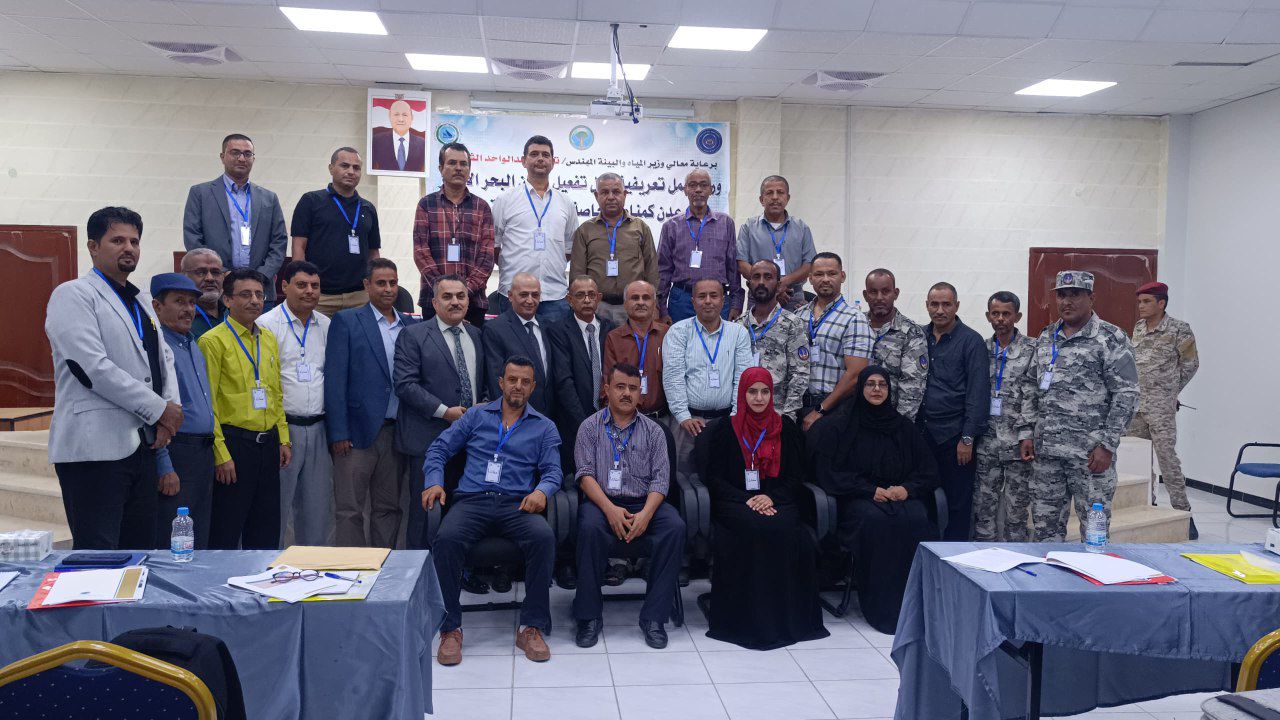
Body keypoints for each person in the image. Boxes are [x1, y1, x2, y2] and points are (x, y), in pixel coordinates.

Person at [46, 207, 181, 550]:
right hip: (94, 451)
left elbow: (163, 358)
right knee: (98, 556)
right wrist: (158, 409)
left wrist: (169, 408)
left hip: (141, 446)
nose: (129, 248)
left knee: (139, 553)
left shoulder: (140, 301)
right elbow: (91, 368)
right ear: (93, 246)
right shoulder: (73, 294)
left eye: (134, 241)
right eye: (117, 240)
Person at [423, 357, 562, 666]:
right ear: (501, 383)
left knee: (543, 538)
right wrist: (434, 482)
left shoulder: (544, 427)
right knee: (446, 539)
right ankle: (450, 629)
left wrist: (542, 491)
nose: (518, 386)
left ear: (533, 387)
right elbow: (439, 449)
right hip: (473, 501)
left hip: (517, 504)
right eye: (512, 380)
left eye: (525, 382)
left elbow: (553, 471)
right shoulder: (476, 416)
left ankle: (531, 627)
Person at [702, 367, 827, 650]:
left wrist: (770, 498)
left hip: (778, 500)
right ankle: (747, 620)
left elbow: (796, 477)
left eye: (765, 392)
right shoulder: (725, 429)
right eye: (752, 391)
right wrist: (745, 499)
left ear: (772, 395)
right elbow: (714, 478)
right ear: (742, 394)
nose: (759, 398)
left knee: (786, 529)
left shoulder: (786, 428)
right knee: (753, 527)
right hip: (736, 501)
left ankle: (785, 618)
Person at [809, 367, 940, 634]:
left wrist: (907, 489)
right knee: (876, 521)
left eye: (882, 384)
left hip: (900, 496)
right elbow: (828, 473)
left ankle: (918, 607)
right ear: (860, 388)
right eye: (870, 384)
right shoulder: (840, 426)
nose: (877, 389)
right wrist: (868, 490)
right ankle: (883, 609)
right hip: (858, 499)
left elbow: (929, 471)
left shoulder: (903, 427)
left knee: (917, 518)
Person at [571, 363, 684, 649]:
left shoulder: (655, 431)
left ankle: (654, 618)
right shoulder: (589, 427)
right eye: (620, 387)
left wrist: (645, 514)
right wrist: (609, 509)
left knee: (674, 527)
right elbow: (584, 475)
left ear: (640, 394)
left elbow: (661, 480)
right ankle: (589, 616)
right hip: (602, 502)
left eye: (633, 388)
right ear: (607, 389)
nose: (626, 393)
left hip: (645, 503)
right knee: (588, 527)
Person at [1022, 271, 1139, 542]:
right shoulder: (1046, 336)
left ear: (1091, 297)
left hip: (1090, 457)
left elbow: (1127, 394)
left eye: (1075, 294)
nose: (1067, 301)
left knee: (1094, 535)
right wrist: (1026, 432)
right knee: (1045, 532)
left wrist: (1107, 445)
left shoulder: (1111, 338)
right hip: (1047, 455)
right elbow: (1030, 385)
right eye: (1062, 295)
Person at [325, 258, 418, 548]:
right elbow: (335, 379)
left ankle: (384, 565)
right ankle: (352, 568)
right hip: (356, 434)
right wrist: (338, 432)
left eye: (393, 283)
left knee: (388, 508)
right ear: (367, 285)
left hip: (396, 432)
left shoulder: (410, 325)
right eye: (381, 283)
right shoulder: (347, 321)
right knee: (350, 509)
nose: (388, 289)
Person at [199, 268, 292, 550]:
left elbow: (275, 392)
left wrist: (283, 438)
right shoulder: (212, 342)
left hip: (268, 444)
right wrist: (221, 454)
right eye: (245, 294)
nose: (254, 300)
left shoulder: (268, 339)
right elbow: (209, 404)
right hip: (234, 445)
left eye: (259, 295)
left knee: (265, 530)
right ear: (227, 300)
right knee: (226, 531)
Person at [393, 275, 485, 550]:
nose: (455, 302)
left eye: (460, 296)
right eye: (447, 296)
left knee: (460, 516)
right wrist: (444, 412)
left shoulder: (477, 335)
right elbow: (405, 384)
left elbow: (484, 382)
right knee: (425, 516)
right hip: (428, 440)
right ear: (434, 303)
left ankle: (455, 571)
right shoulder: (414, 335)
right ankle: (419, 571)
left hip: (470, 443)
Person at [256, 261, 333, 546]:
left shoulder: (326, 325)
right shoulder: (266, 325)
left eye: (315, 286)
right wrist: (279, 435)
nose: (309, 291)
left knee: (317, 512)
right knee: (275, 510)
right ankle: (270, 566)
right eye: (301, 285)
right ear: (284, 286)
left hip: (319, 428)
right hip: (282, 431)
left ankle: (312, 567)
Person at [150, 273, 217, 550]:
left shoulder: (193, 344)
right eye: (179, 302)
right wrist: (164, 465)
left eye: (191, 303)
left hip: (203, 453)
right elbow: (155, 412)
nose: (188, 309)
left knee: (200, 535)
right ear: (157, 306)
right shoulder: (156, 348)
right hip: (178, 451)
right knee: (175, 539)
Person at [918, 281, 989, 542]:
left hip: (954, 438)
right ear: (927, 306)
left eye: (946, 304)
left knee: (957, 504)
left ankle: (954, 557)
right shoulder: (918, 337)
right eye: (934, 304)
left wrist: (967, 438)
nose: (940, 310)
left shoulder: (971, 341)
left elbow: (978, 393)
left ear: (956, 306)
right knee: (921, 499)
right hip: (922, 434)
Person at [663, 279, 753, 482]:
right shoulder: (678, 331)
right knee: (683, 480)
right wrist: (683, 416)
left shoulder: (738, 333)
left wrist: (734, 417)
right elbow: (673, 377)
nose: (708, 301)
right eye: (702, 296)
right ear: (693, 301)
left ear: (723, 300)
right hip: (688, 424)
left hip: (726, 422)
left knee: (724, 479)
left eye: (714, 296)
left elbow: (743, 377)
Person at [1127, 281, 1199, 536]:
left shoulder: (1179, 329)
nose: (1141, 306)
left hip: (1161, 408)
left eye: (1147, 302)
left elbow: (1191, 365)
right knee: (1137, 459)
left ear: (1161, 303)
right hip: (1137, 406)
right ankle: (1146, 505)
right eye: (1139, 302)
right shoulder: (1138, 328)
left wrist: (1170, 392)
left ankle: (1183, 514)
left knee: (1167, 460)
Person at [182, 133, 288, 302]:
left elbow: (279, 242)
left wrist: (261, 276)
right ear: (222, 157)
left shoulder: (269, 198)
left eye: (247, 154)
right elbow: (193, 238)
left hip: (260, 290)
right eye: (235, 153)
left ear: (253, 159)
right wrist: (221, 273)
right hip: (217, 288)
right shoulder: (200, 193)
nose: (241, 158)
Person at [492, 135, 579, 324]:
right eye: (534, 154)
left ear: (553, 162)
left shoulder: (566, 203)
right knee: (514, 343)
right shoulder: (505, 200)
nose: (540, 158)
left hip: (555, 296)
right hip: (514, 295)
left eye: (545, 155)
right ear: (523, 161)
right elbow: (494, 246)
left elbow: (569, 248)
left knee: (555, 344)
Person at [972, 291, 1036, 543]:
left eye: (1006, 314)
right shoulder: (980, 348)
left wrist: (1027, 433)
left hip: (1017, 444)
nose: (1000, 319)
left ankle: (1016, 556)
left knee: (1016, 510)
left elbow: (1033, 394)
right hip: (986, 442)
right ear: (988, 316)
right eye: (995, 313)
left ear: (1017, 316)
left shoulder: (1031, 349)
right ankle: (984, 556)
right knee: (983, 506)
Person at [291, 147, 382, 316]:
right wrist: (301, 285)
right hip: (320, 297)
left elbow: (373, 253)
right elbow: (299, 246)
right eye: (344, 166)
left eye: (356, 168)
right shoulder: (311, 201)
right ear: (331, 168)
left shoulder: (368, 208)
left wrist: (375, 286)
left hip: (359, 297)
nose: (351, 172)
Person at [412, 142, 494, 326]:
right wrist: (443, 292)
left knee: (472, 345)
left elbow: (487, 258)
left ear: (469, 169)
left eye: (463, 164)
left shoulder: (482, 207)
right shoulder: (426, 204)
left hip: (473, 303)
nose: (458, 168)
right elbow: (421, 253)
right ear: (441, 168)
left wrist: (464, 293)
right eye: (452, 163)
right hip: (434, 302)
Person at [569, 172, 658, 327]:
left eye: (616, 192)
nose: (611, 197)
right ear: (596, 196)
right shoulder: (585, 230)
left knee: (633, 343)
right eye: (604, 192)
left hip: (633, 306)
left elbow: (652, 268)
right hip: (597, 307)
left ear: (625, 194)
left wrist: (654, 304)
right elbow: (577, 273)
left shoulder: (640, 228)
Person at [796, 252, 872, 430]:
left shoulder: (854, 319)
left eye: (832, 273)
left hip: (834, 409)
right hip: (797, 405)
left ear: (842, 276)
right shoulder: (798, 316)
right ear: (810, 278)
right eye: (819, 274)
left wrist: (820, 410)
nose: (825, 279)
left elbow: (855, 375)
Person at [658, 169, 742, 322]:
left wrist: (736, 304)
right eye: (692, 185)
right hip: (682, 300)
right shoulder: (671, 226)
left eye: (703, 185)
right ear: (685, 190)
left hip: (717, 300)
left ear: (711, 190)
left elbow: (733, 268)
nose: (698, 190)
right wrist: (661, 309)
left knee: (716, 338)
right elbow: (663, 270)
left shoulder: (726, 223)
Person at [548, 276, 615, 464]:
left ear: (599, 298)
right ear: (569, 299)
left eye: (591, 295)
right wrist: (585, 424)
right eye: (580, 295)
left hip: (609, 418)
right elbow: (564, 382)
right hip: (574, 420)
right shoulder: (558, 330)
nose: (587, 300)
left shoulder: (610, 328)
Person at [737, 260, 808, 419]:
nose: (761, 282)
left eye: (768, 277)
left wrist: (788, 416)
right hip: (743, 416)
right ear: (748, 284)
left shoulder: (792, 324)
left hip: (778, 415)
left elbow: (800, 374)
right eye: (756, 277)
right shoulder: (738, 326)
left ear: (779, 284)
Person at [736, 175, 816, 312]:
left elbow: (809, 265)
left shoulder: (801, 228)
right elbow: (742, 264)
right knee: (756, 327)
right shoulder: (748, 227)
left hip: (792, 296)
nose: (775, 197)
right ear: (761, 199)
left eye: (780, 192)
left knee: (795, 327)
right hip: (759, 295)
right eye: (769, 193)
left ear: (787, 198)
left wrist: (783, 283)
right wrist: (771, 285)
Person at [483, 272, 558, 417]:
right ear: (510, 296)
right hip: (516, 416)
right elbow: (495, 380)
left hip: (550, 416)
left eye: (535, 295)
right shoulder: (495, 329)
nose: (530, 300)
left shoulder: (548, 326)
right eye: (524, 295)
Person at [863, 268, 927, 420]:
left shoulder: (911, 332)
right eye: (873, 292)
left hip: (891, 418)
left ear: (896, 293)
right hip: (855, 416)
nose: (879, 297)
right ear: (865, 295)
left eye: (885, 291)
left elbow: (912, 387)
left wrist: (899, 426)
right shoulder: (855, 324)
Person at [603, 281, 669, 421]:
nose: (640, 302)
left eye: (646, 298)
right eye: (634, 298)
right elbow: (608, 382)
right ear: (625, 304)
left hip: (663, 418)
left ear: (654, 303)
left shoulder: (667, 334)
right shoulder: (613, 338)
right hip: (626, 420)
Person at [181, 248, 228, 338]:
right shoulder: (178, 318)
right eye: (200, 272)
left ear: (223, 277)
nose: (210, 278)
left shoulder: (233, 313)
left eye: (215, 272)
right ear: (184, 277)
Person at [371, 99, 425, 173]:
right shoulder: (377, 141)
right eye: (396, 114)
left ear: (412, 117)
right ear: (390, 116)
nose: (400, 119)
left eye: (405, 115)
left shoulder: (422, 144)